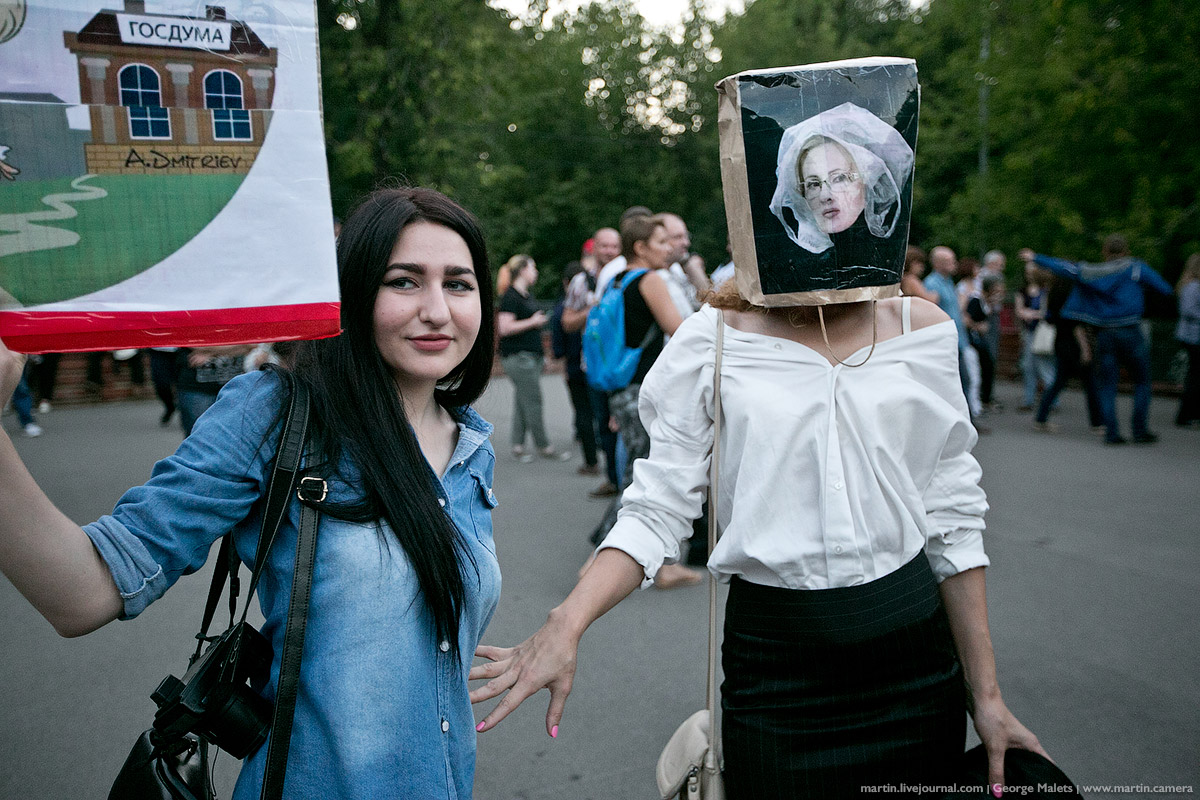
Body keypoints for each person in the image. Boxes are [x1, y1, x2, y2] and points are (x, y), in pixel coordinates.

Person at [0, 187, 501, 798]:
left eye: (459, 284)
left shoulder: (472, 445)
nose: (437, 310)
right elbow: (83, 592)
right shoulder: (274, 413)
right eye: (403, 281)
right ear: (351, 292)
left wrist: (562, 629)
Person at [470, 284, 1046, 795]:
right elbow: (657, 506)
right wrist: (567, 621)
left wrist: (987, 698)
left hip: (912, 658)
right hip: (777, 664)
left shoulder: (920, 329)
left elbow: (953, 521)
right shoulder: (713, 340)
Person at [585, 214, 702, 589]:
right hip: (642, 388)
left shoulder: (618, 279)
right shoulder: (649, 280)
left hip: (622, 387)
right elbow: (680, 332)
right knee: (644, 475)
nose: (668, 248)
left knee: (642, 468)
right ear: (641, 247)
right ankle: (599, 555)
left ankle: (663, 565)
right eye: (661, 242)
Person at [1020, 237, 1173, 444]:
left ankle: (1111, 433)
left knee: (1108, 384)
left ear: (1105, 252)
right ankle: (1139, 430)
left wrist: (1036, 257)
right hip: (1130, 329)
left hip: (1105, 332)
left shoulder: (1095, 272)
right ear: (1126, 250)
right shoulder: (1136, 269)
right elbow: (1165, 289)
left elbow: (1066, 268)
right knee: (1142, 381)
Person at [768, 103, 914, 289]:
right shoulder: (793, 275)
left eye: (839, 178)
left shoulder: (885, 265)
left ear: (865, 179)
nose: (825, 195)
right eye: (813, 184)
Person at [497, 254, 570, 461]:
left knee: (523, 401)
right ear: (522, 270)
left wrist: (542, 355)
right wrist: (533, 321)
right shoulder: (510, 296)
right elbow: (504, 327)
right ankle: (544, 446)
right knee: (533, 402)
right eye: (533, 267)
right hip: (519, 358)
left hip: (531, 357)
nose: (536, 272)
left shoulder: (526, 296)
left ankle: (517, 445)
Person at [1030, 273, 1104, 434]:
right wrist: (1085, 349)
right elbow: (1076, 326)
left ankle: (1041, 418)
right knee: (1090, 383)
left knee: (1058, 382)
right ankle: (1097, 422)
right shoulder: (1074, 298)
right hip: (1075, 344)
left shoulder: (1054, 295)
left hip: (1060, 342)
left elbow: (1050, 319)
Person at [550, 261, 600, 475]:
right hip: (598, 366)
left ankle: (591, 461)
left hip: (574, 369)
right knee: (601, 413)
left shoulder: (562, 310)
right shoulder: (598, 305)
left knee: (582, 413)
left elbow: (558, 348)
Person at [1014, 263, 1056, 412]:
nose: (1029, 274)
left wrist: (1032, 314)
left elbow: (1048, 312)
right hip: (1029, 332)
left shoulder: (1047, 290)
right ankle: (1029, 399)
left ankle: (1051, 400)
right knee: (1028, 366)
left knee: (1044, 366)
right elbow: (1019, 310)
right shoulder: (1023, 290)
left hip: (1042, 332)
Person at [1174, 253, 1200, 428]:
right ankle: (1186, 415)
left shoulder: (1190, 285)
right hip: (1194, 336)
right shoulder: (1192, 286)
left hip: (1192, 335)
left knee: (1195, 375)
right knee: (1195, 376)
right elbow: (1188, 311)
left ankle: (1189, 414)